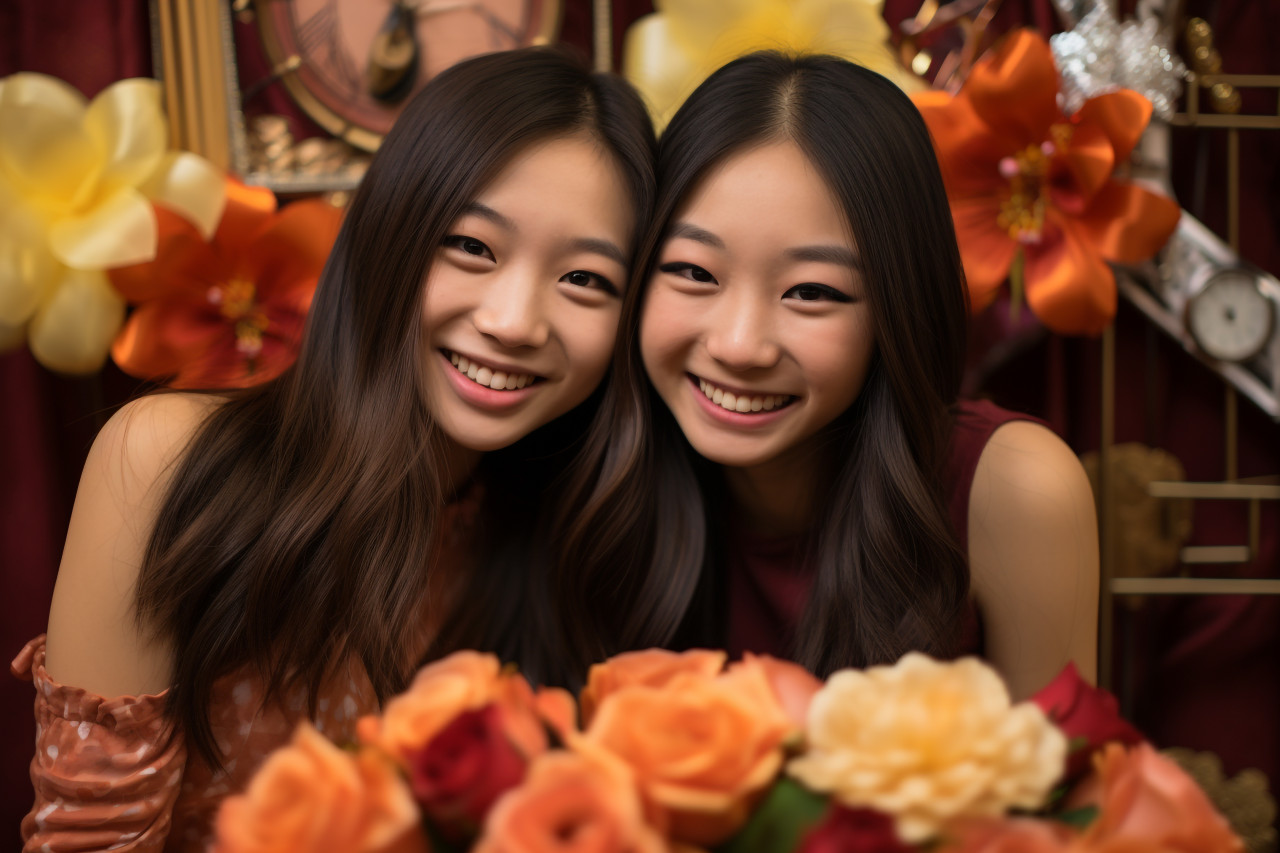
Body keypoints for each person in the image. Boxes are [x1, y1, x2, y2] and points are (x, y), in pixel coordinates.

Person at [15, 47, 656, 852]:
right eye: (472, 246)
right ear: (388, 238)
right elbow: (89, 840)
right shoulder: (170, 462)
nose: (516, 320)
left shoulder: (559, 530)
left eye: (586, 280)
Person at [557, 51, 1098, 700]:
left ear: (897, 307)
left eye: (812, 291)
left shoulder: (1012, 490)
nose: (739, 345)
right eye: (695, 272)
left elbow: (1066, 794)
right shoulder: (580, 465)